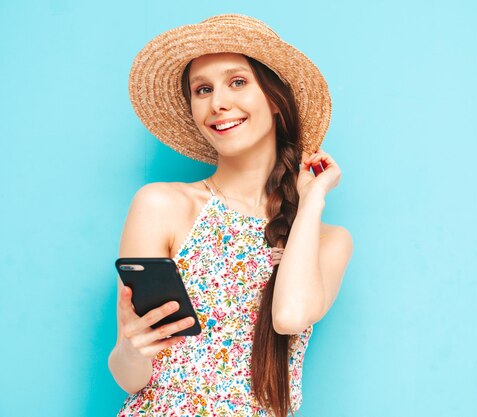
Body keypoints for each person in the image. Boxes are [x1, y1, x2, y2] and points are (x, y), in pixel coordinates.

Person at [108, 14, 353, 417]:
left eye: (237, 82)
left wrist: (312, 199)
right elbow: (129, 378)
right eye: (202, 89)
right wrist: (130, 349)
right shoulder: (161, 205)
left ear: (275, 99)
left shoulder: (327, 240)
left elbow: (289, 316)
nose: (217, 102)